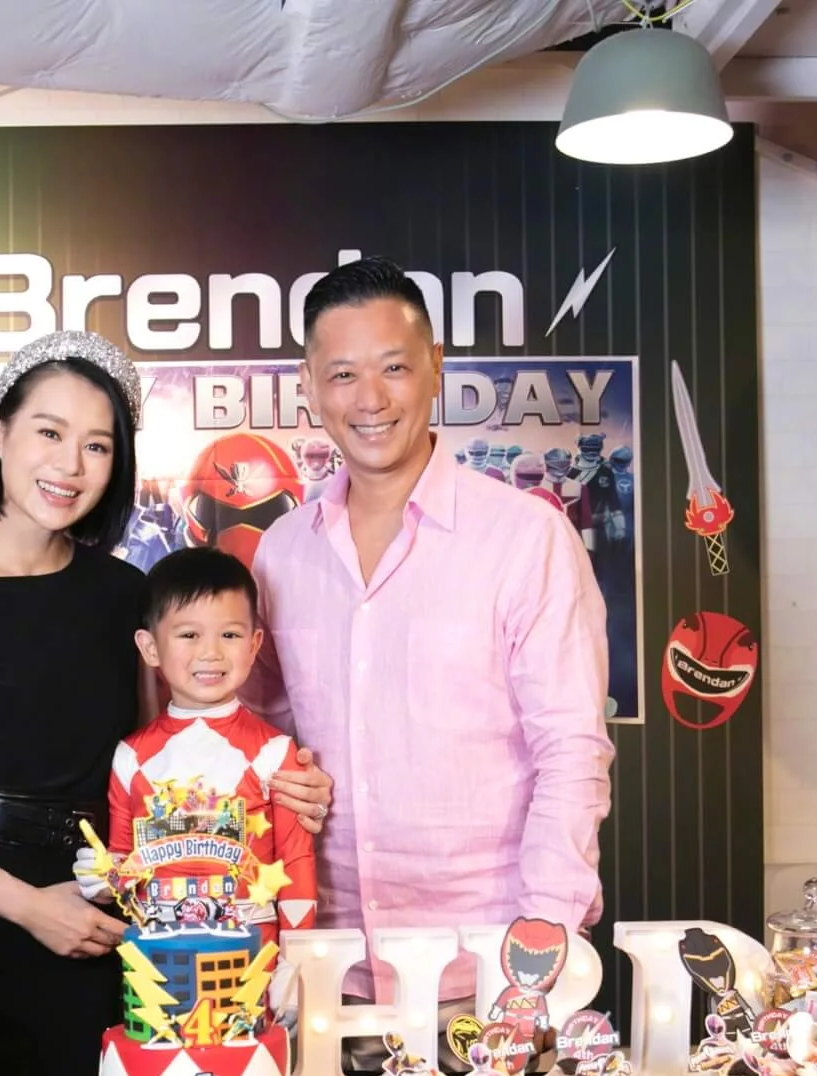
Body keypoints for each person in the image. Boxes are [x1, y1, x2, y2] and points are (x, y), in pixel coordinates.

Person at [0, 330, 330, 1076]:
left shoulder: (124, 595)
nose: (70, 465)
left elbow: (172, 754)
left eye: (97, 446)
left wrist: (285, 782)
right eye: (49, 433)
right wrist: (29, 908)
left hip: (104, 912)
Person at [249, 258, 612, 1004]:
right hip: (323, 974)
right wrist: (278, 777)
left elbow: (572, 749)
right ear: (308, 385)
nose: (371, 399)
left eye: (394, 367)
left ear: (436, 367)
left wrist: (542, 942)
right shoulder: (282, 551)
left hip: (487, 976)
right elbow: (260, 735)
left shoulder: (525, 537)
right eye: (342, 374)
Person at [96, 547, 317, 951]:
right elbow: (122, 864)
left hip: (256, 962)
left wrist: (298, 960)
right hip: (158, 962)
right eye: (189, 635)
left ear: (254, 644)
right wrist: (98, 878)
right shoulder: (131, 757)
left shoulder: (274, 752)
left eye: (229, 635)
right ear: (150, 647)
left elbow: (297, 862)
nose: (211, 652)